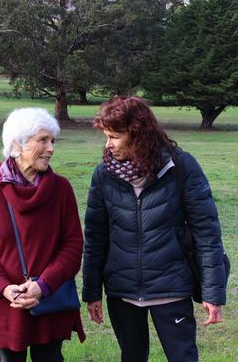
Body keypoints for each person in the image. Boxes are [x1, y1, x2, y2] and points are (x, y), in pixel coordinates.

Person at [82, 96, 227, 362]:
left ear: (137, 134)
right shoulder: (103, 174)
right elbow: (95, 237)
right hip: (121, 292)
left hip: (172, 289)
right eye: (106, 136)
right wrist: (92, 291)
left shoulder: (181, 166)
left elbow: (207, 234)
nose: (108, 145)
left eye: (114, 136)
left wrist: (213, 293)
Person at [0, 108, 85, 361]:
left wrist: (43, 286)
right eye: (43, 140)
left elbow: (73, 246)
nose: (51, 148)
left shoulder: (61, 189)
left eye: (52, 141)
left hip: (48, 300)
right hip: (3, 303)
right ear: (17, 144)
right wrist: (5, 288)